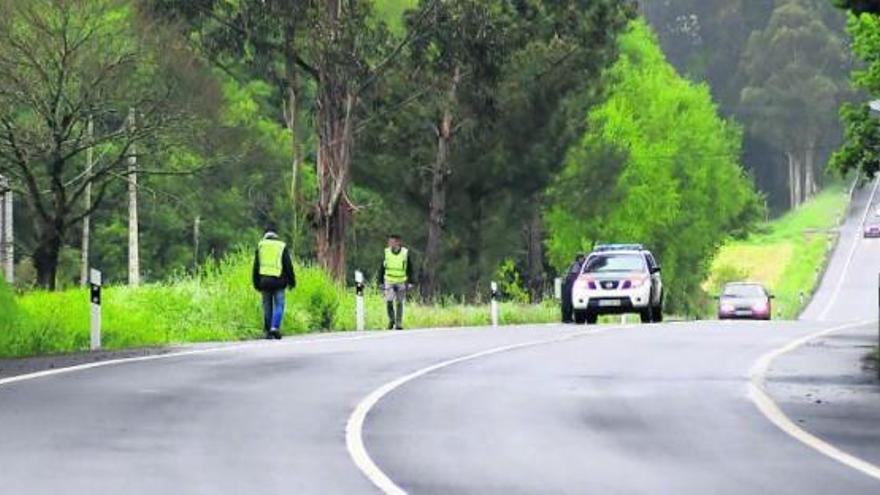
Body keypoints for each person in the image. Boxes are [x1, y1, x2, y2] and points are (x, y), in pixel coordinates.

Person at [252, 225, 296, 339]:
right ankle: (274, 327)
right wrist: (292, 281)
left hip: (264, 281)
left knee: (267, 306)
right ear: (276, 236)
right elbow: (288, 265)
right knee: (279, 305)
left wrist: (256, 283)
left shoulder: (260, 246)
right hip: (279, 281)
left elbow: (256, 266)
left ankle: (267, 332)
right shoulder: (281, 246)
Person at [378, 234, 414, 330]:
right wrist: (380, 282)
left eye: (392, 242)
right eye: (389, 242)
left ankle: (398, 323)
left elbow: (410, 268)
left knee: (399, 302)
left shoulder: (405, 253)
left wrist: (410, 282)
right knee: (389, 301)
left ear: (398, 242)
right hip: (389, 280)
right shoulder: (387, 252)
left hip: (401, 280)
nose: (390, 244)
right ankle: (391, 319)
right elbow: (382, 268)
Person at [561, 253, 586, 323]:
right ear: (579, 259)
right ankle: (566, 318)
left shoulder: (578, 265)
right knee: (567, 302)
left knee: (570, 302)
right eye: (582, 258)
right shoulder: (576, 265)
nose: (583, 260)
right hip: (568, 284)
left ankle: (568, 318)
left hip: (569, 283)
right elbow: (574, 276)